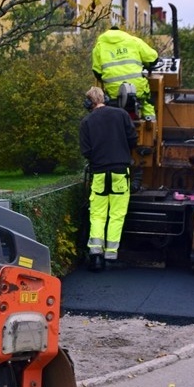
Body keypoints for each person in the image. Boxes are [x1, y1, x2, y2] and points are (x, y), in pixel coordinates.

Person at [80, 86, 138, 271]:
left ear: (88, 103)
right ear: (105, 98)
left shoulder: (86, 121)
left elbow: (86, 151)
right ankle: (111, 257)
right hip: (120, 172)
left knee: (97, 214)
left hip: (98, 173)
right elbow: (133, 139)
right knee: (116, 215)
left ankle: (95, 256)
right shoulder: (121, 114)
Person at [91, 25, 159, 120]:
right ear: (122, 33)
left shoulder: (99, 46)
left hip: (114, 92)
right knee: (146, 100)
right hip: (136, 88)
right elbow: (153, 59)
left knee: (111, 106)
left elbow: (97, 73)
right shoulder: (134, 41)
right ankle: (150, 123)